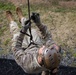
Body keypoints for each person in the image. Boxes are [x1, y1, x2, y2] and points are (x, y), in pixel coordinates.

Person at [6, 7, 62, 75]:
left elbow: (16, 48)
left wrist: (23, 32)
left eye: (44, 48)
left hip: (24, 49)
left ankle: (12, 21)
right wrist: (39, 24)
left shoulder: (27, 64)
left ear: (40, 58)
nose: (44, 46)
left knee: (15, 32)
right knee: (29, 27)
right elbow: (48, 37)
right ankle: (22, 18)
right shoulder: (53, 61)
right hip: (36, 45)